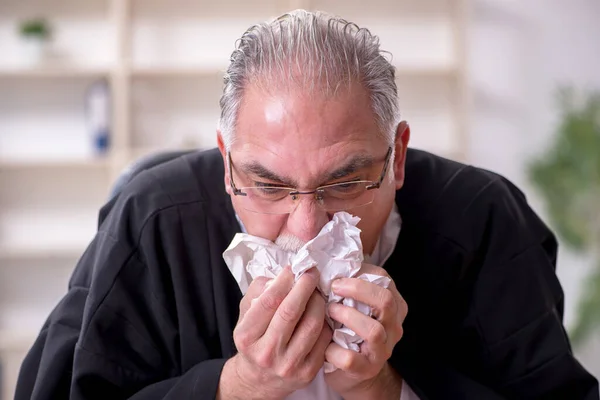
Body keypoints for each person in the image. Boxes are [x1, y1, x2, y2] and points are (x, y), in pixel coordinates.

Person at [15, 9, 599, 400]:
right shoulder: (154, 220)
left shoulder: (482, 221)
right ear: (226, 164)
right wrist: (237, 384)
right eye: (268, 186)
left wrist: (384, 389)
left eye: (346, 183)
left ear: (396, 158)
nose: (307, 227)